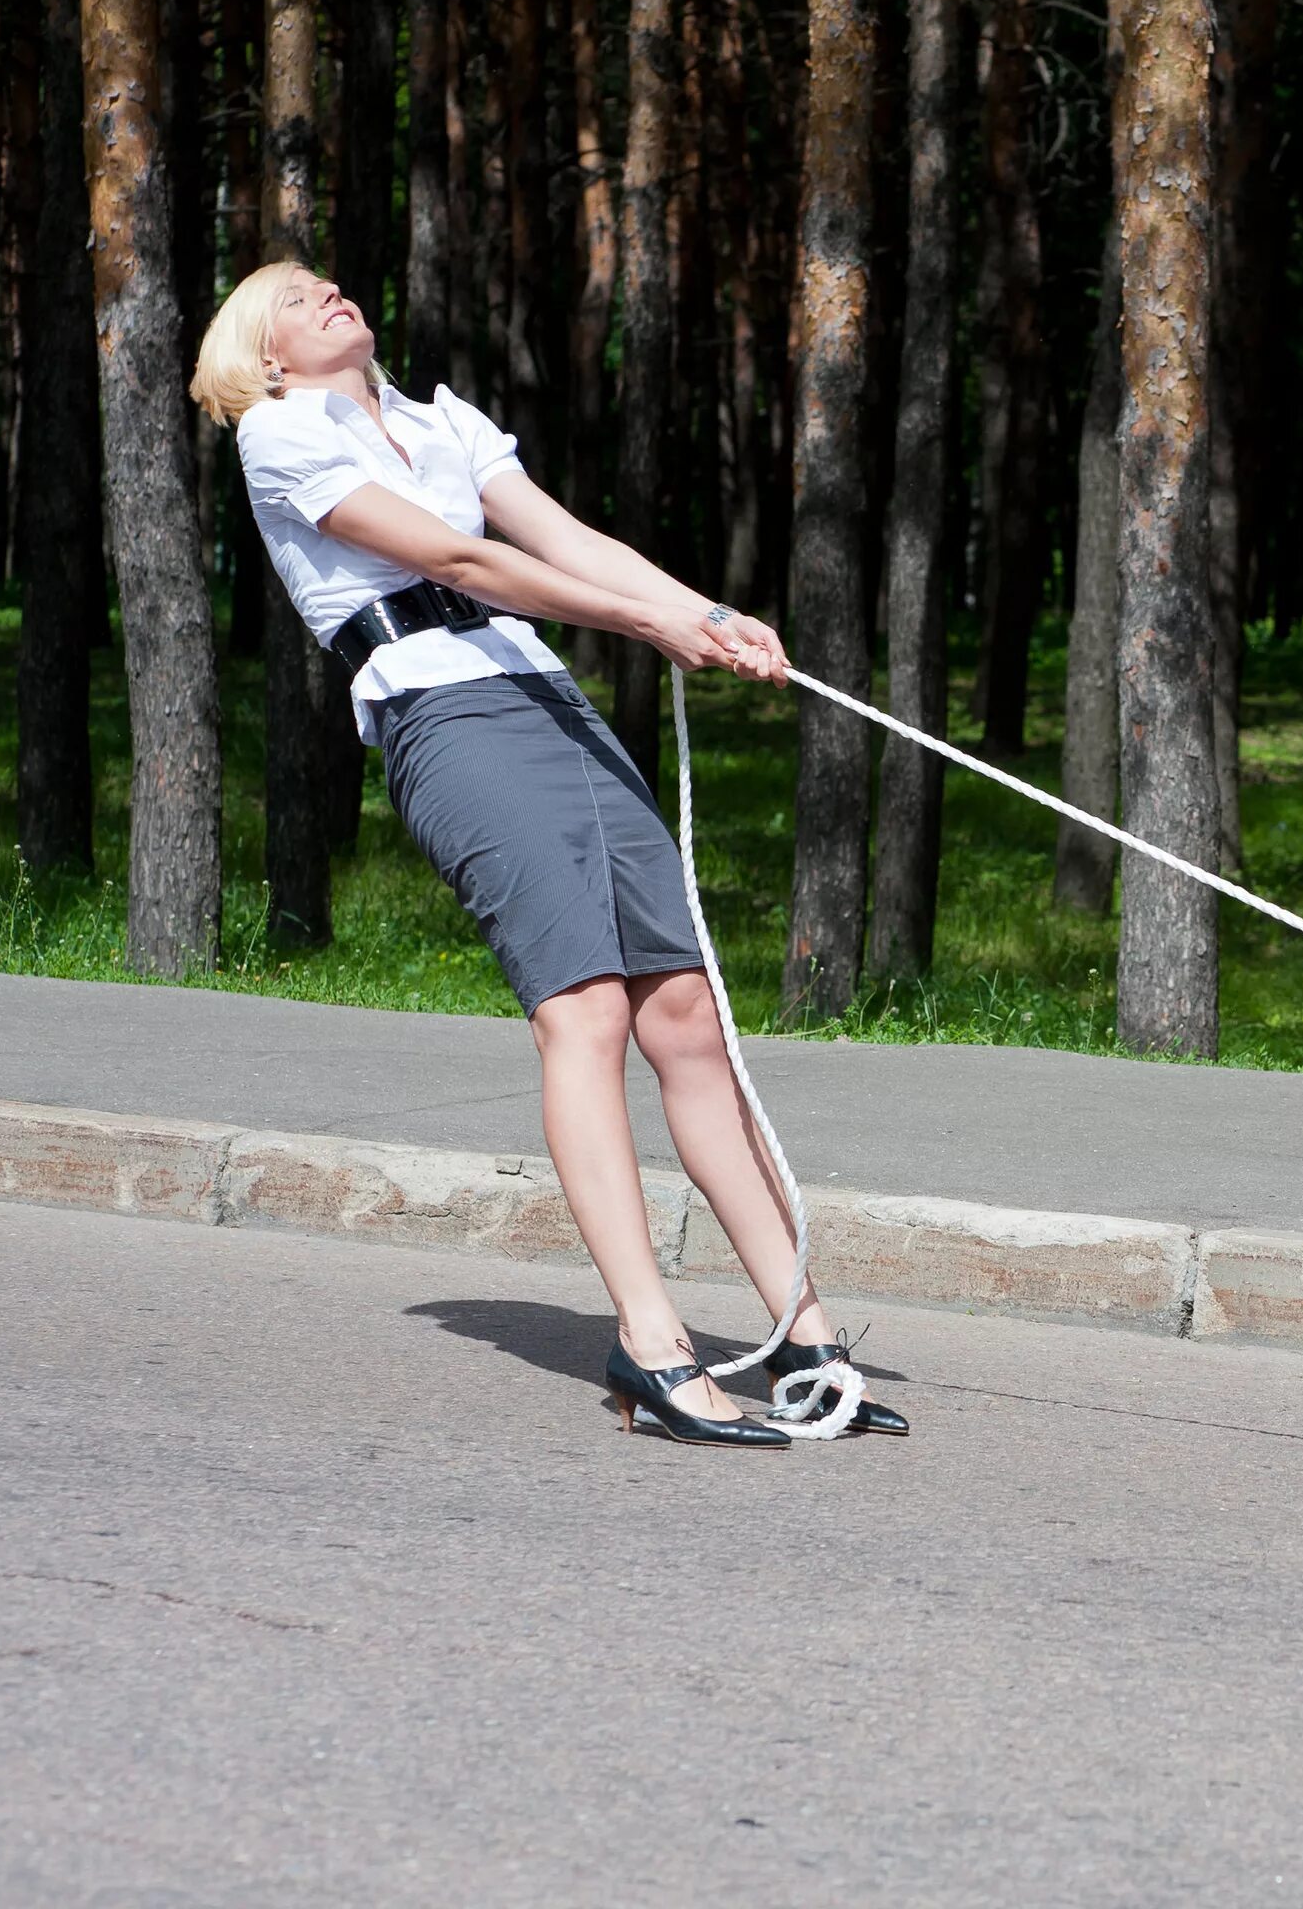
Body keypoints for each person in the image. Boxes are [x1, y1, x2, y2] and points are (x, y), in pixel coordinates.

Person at [189, 259, 904, 1449]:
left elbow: (568, 539)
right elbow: (458, 565)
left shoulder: (440, 417)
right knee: (585, 1011)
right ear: (265, 356)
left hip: (546, 697)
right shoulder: (279, 439)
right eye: (298, 300)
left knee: (682, 1013)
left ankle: (805, 1334)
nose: (332, 297)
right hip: (447, 717)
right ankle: (653, 1345)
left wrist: (708, 614)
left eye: (331, 284)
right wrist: (646, 623)